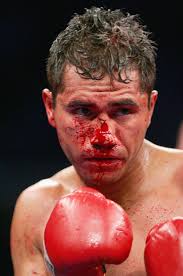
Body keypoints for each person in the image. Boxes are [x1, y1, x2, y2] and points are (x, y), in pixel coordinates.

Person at [10, 6, 183, 276]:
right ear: (49, 107)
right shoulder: (36, 211)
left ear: (150, 108)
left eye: (123, 111)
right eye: (83, 111)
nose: (103, 137)